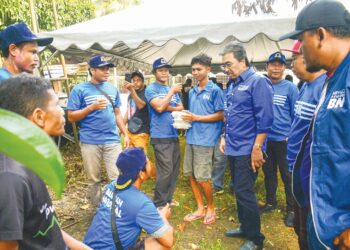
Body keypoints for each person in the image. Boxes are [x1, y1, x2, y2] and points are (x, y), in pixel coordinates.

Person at [280, 0, 350, 249]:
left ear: (320, 35)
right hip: (323, 213)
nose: (300, 51)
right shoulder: (332, 79)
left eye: (302, 42)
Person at [0, 74, 90, 250]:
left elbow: (44, 224)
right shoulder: (10, 178)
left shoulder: (28, 158)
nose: (63, 110)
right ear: (39, 116)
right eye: (57, 104)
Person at [220, 43, 273, 250]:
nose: (226, 68)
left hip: (248, 149)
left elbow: (266, 119)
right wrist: (224, 136)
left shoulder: (257, 82)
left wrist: (257, 148)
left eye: (229, 64)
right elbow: (230, 115)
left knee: (245, 191)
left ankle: (256, 238)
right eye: (224, 65)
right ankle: (245, 226)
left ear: (243, 60)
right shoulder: (233, 84)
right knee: (238, 190)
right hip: (233, 147)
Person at [67, 55, 129, 206]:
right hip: (90, 141)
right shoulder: (79, 89)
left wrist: (125, 134)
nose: (107, 71)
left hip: (112, 140)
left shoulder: (112, 89)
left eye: (108, 68)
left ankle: (116, 209)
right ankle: (98, 210)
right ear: (92, 70)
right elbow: (71, 117)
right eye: (102, 69)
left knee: (116, 177)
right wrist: (91, 107)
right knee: (94, 179)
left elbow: (117, 114)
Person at [84, 147, 174, 250]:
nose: (150, 163)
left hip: (86, 247)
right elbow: (168, 241)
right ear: (141, 174)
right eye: (147, 161)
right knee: (160, 244)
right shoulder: (142, 204)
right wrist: (163, 217)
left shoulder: (112, 186)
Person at [282, 40, 326, 250]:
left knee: (310, 229)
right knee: (300, 227)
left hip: (310, 173)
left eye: (294, 58)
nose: (291, 64)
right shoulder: (305, 87)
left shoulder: (325, 87)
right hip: (295, 167)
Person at [182, 54, 224, 225]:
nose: (195, 72)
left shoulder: (215, 91)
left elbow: (221, 115)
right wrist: (185, 119)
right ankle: (200, 207)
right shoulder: (192, 91)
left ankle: (211, 207)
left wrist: (196, 118)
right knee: (191, 174)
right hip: (191, 137)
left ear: (208, 69)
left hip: (206, 139)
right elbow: (193, 115)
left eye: (199, 69)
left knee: (202, 177)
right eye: (193, 70)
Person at [260, 52, 299, 228]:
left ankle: (292, 210)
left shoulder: (290, 88)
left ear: (284, 68)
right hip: (265, 140)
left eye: (279, 65)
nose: (276, 68)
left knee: (287, 175)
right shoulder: (261, 85)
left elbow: (296, 114)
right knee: (268, 173)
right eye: (273, 64)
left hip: (284, 140)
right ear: (266, 66)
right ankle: (270, 202)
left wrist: (290, 136)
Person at [145, 57, 183, 208]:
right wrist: (171, 93)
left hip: (173, 133)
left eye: (166, 70)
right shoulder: (151, 89)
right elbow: (158, 108)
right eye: (161, 70)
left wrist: (166, 105)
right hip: (160, 135)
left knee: (173, 170)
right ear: (155, 72)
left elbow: (180, 107)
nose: (164, 73)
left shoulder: (169, 90)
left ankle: (168, 199)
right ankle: (159, 202)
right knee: (165, 170)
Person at [123, 70, 150, 152]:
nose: (135, 82)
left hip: (141, 132)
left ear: (143, 81)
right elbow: (128, 112)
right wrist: (121, 129)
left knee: (141, 160)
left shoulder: (147, 92)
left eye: (138, 80)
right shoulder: (131, 95)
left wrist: (132, 90)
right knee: (129, 158)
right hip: (130, 131)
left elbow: (141, 105)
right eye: (133, 80)